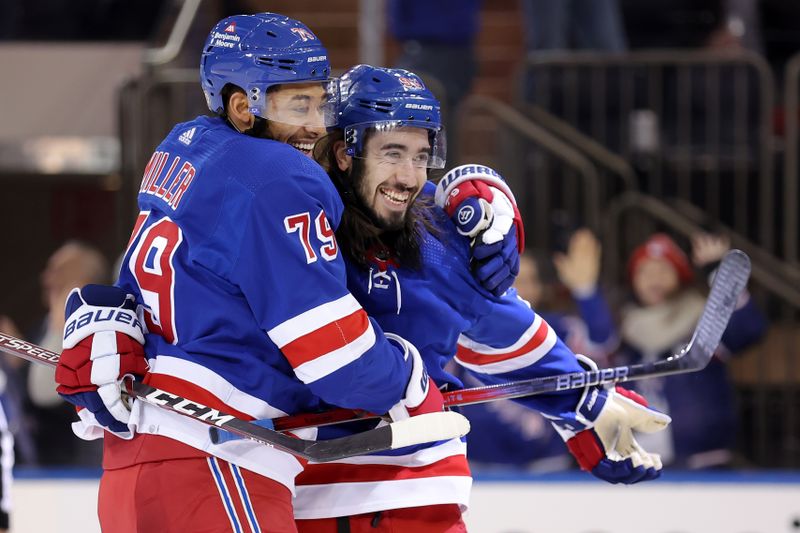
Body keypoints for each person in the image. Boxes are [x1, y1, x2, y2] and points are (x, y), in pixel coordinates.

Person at [53, 13, 461, 532]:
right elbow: (335, 357)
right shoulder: (279, 175)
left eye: (320, 102)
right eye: (298, 104)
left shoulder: (182, 147)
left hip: (134, 463)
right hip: (216, 461)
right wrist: (410, 381)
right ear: (243, 106)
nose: (316, 124)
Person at [291, 64, 670, 531]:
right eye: (393, 153)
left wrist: (583, 403)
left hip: (413, 489)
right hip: (304, 493)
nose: (409, 177)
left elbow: (494, 323)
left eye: (421, 156)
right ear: (346, 154)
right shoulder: (294, 219)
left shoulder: (430, 228)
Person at [453, 228, 620, 471]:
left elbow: (603, 342)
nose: (520, 288)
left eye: (529, 281)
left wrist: (586, 292)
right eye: (513, 279)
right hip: (479, 466)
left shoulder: (559, 329)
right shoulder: (463, 330)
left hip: (548, 465)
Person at [617, 232, 767, 468]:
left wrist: (721, 278)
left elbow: (748, 330)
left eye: (663, 270)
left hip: (704, 464)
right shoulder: (624, 330)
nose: (654, 279)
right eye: (645, 271)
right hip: (641, 466)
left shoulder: (704, 322)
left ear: (680, 276)